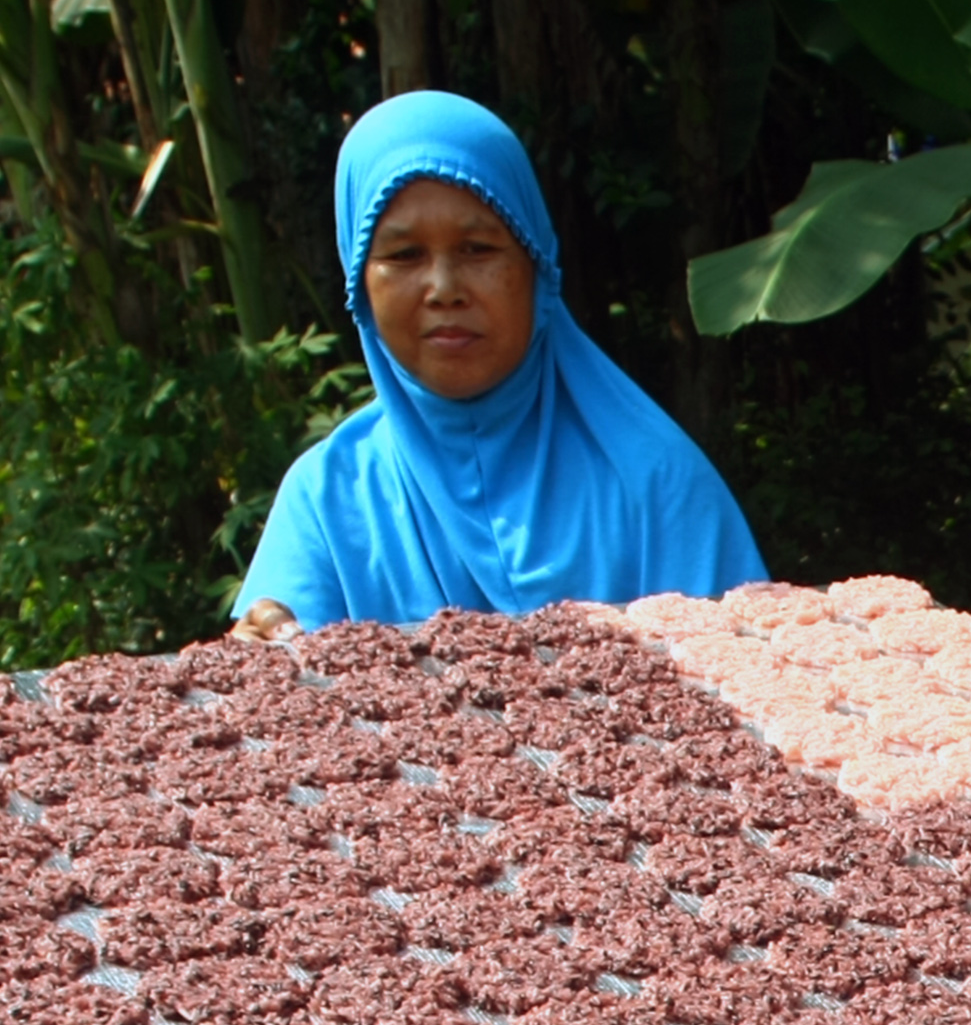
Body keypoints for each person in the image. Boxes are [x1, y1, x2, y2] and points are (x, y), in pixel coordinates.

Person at [234, 92, 763, 638]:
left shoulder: (655, 485)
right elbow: (273, 684)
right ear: (359, 285)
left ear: (536, 265)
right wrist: (257, 661)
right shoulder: (328, 502)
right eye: (404, 256)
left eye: (478, 249)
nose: (444, 289)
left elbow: (746, 687)